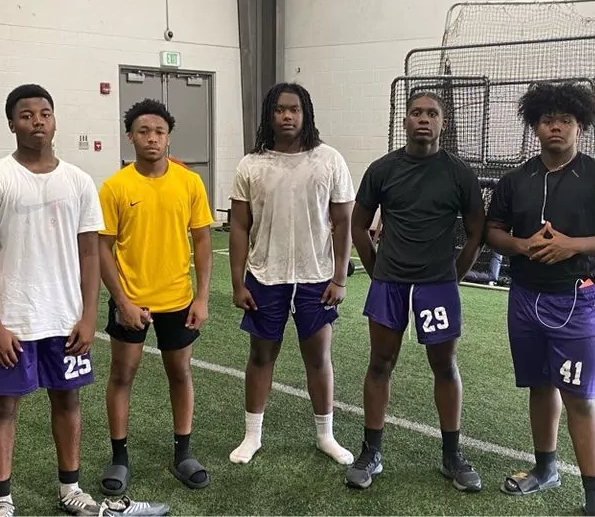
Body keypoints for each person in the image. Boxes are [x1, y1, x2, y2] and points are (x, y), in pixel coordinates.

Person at [485, 82, 595, 517]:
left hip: (578, 300)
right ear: (535, 126)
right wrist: (521, 246)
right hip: (525, 297)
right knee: (540, 386)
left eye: (565, 120)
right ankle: (545, 469)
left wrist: (572, 245)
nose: (556, 127)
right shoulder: (516, 180)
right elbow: (493, 231)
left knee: (580, 397)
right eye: (547, 120)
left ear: (580, 127)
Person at [0, 84, 104, 517]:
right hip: (14, 320)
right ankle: (1, 500)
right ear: (12, 124)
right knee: (3, 407)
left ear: (55, 121)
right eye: (26, 115)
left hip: (65, 320)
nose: (37, 121)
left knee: (68, 400)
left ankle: (70, 490)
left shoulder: (78, 181)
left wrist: (89, 316)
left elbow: (90, 254)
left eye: (45, 113)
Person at [347, 91, 486, 491]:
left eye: (432, 113)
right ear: (405, 120)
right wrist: (376, 269)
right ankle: (371, 452)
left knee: (445, 366)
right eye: (416, 113)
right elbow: (358, 224)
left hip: (437, 286)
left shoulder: (459, 173)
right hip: (390, 284)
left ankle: (451, 455)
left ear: (443, 122)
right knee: (380, 363)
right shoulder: (382, 169)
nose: (424, 119)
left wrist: (453, 276)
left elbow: (476, 232)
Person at [228, 82, 355, 466]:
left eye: (294, 109)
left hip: (316, 278)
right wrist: (237, 283)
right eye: (280, 109)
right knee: (261, 355)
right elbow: (238, 227)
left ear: (306, 114)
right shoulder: (251, 164)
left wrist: (339, 278)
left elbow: (344, 222)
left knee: (318, 357)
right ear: (270, 115)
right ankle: (252, 436)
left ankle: (326, 436)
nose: (287, 116)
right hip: (265, 277)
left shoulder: (329, 160)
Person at [98, 98, 213, 495]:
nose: (152, 138)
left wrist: (201, 298)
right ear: (130, 137)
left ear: (168, 137)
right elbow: (102, 248)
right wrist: (123, 302)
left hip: (178, 300)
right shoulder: (115, 186)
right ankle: (119, 458)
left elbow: (202, 241)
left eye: (159, 132)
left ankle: (183, 453)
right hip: (131, 300)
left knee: (180, 373)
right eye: (143, 131)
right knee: (122, 375)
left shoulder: (189, 182)